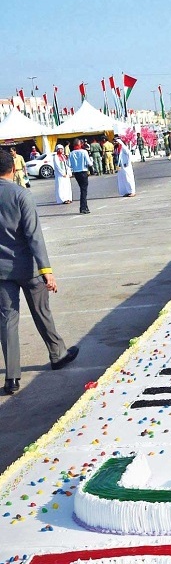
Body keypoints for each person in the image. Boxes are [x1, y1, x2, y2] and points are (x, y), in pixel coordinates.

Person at [0, 149, 78, 395]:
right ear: (13, 168)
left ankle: (12, 378)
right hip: (28, 267)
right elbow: (34, 236)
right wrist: (47, 271)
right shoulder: (21, 195)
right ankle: (57, 354)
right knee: (41, 311)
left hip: (1, 272)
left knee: (8, 320)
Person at [68, 139, 93, 214]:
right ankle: (83, 207)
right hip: (83, 171)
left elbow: (68, 164)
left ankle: (85, 206)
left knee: (82, 189)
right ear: (80, 144)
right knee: (84, 190)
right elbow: (89, 162)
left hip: (76, 172)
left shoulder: (71, 153)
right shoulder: (83, 152)